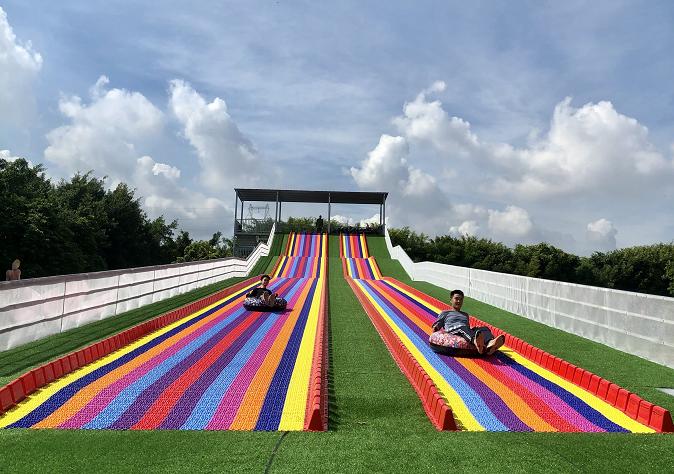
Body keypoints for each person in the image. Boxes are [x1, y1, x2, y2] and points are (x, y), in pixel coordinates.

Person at [431, 289, 505, 355]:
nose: (459, 301)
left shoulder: (465, 315)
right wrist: (435, 330)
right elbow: (438, 325)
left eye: (461, 299)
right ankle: (475, 342)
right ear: (451, 300)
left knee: (484, 328)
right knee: (461, 327)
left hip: (464, 331)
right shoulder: (445, 313)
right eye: (456, 299)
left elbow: (467, 328)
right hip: (452, 330)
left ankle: (490, 344)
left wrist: (476, 330)